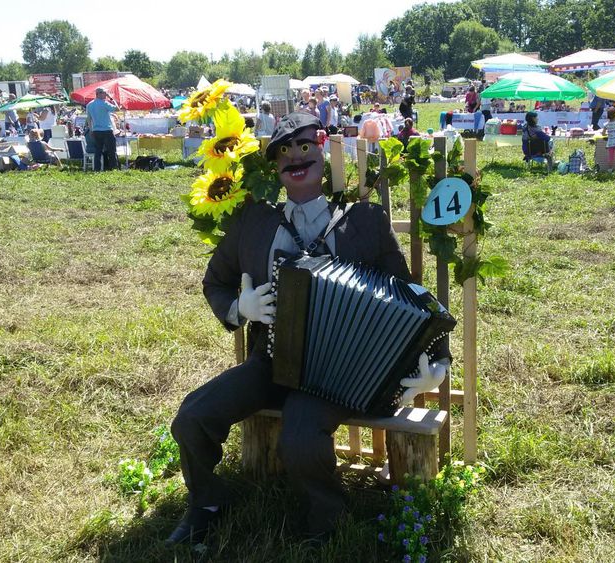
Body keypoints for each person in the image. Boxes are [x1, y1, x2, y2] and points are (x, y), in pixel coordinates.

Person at [166, 112, 450, 546]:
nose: (295, 159)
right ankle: (207, 501)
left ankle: (326, 519)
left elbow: (411, 294)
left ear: (321, 152)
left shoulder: (365, 221)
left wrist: (436, 359)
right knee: (192, 416)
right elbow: (215, 282)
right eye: (284, 152)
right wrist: (239, 307)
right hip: (269, 361)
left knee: (299, 436)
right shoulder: (252, 223)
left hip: (341, 371)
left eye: (304, 148)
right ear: (274, 169)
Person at [86, 87, 119, 171]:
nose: (105, 95)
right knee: (111, 151)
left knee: (98, 151)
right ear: (99, 94)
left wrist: (91, 130)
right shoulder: (104, 103)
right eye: (104, 93)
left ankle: (97, 168)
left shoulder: (89, 105)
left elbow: (89, 119)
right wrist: (111, 98)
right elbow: (117, 108)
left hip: (96, 131)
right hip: (107, 130)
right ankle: (113, 168)